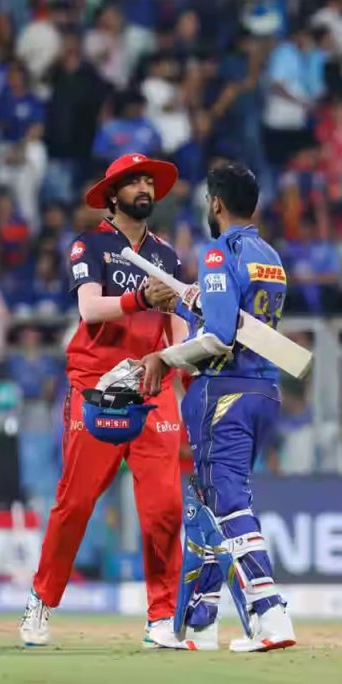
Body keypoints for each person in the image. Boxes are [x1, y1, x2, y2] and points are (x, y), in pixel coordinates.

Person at [19, 153, 186, 647]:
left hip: (152, 389)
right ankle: (42, 600)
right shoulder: (89, 244)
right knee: (75, 503)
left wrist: (177, 360)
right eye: (133, 182)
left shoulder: (167, 256)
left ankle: (161, 617)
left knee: (164, 507)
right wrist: (141, 299)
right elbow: (89, 308)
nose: (144, 189)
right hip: (98, 387)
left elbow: (177, 330)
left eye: (148, 181)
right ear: (112, 195)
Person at [142, 163, 297, 652]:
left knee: (227, 502)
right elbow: (242, 325)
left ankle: (271, 615)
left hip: (222, 393)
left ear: (216, 203)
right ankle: (202, 620)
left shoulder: (218, 253)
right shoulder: (270, 257)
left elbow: (220, 338)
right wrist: (183, 305)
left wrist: (164, 357)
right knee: (208, 501)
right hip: (263, 391)